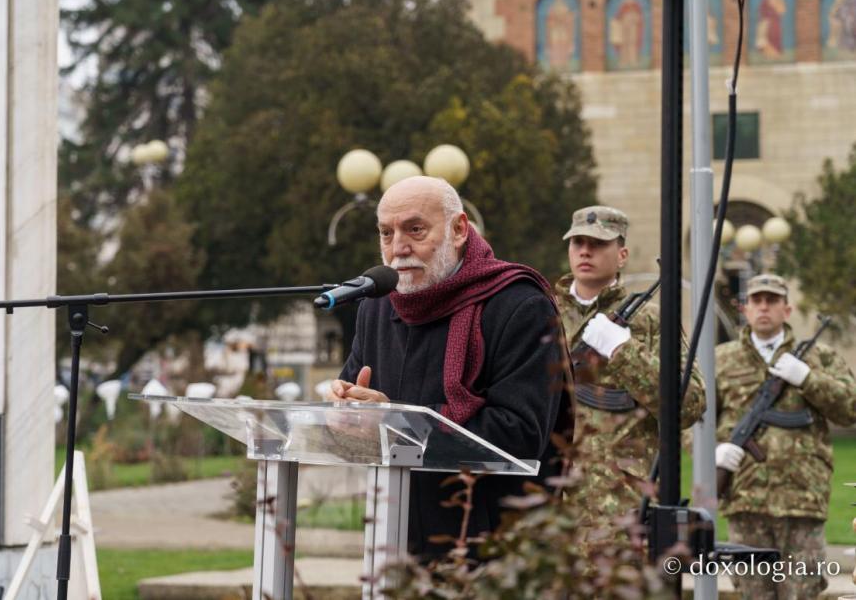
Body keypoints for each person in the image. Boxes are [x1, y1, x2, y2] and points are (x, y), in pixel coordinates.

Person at [329, 176, 573, 558]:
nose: (398, 248)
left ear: (459, 230)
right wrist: (345, 409)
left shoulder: (519, 306)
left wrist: (396, 420)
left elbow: (521, 433)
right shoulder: (375, 307)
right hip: (395, 538)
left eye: (415, 229)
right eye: (386, 233)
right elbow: (359, 409)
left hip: (495, 545)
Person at [554, 205, 706, 552]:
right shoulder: (541, 312)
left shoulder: (650, 322)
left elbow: (690, 404)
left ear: (621, 255)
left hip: (622, 515)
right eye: (578, 242)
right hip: (550, 513)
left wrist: (623, 351)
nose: (585, 251)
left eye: (598, 243)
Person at [714, 273, 856, 599]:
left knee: (803, 592)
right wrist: (711, 452)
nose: (764, 307)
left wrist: (808, 379)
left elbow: (850, 409)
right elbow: (691, 417)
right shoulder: (722, 359)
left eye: (772, 300)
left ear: (787, 310)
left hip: (802, 501)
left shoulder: (818, 357)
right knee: (753, 592)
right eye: (757, 300)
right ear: (745, 309)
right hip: (745, 500)